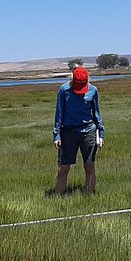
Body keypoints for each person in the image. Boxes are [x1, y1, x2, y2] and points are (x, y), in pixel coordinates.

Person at [53, 66, 105, 195]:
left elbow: (97, 113)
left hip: (88, 132)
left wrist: (101, 133)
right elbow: (59, 113)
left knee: (89, 166)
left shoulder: (93, 90)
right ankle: (58, 197)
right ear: (72, 80)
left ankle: (89, 196)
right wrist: (57, 135)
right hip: (68, 132)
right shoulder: (64, 90)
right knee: (63, 168)